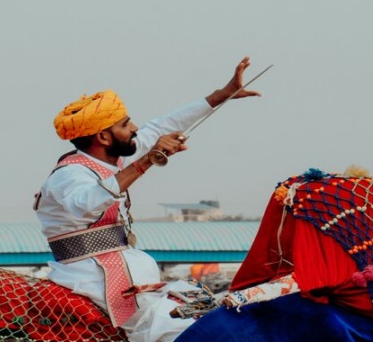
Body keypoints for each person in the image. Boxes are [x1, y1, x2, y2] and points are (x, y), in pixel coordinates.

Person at [35, 57, 260, 342]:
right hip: (97, 281)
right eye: (125, 124)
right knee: (184, 330)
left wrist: (221, 96)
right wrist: (147, 161)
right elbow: (88, 202)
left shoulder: (109, 159)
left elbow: (159, 127)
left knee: (205, 311)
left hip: (127, 275)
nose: (134, 129)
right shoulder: (69, 174)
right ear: (104, 137)